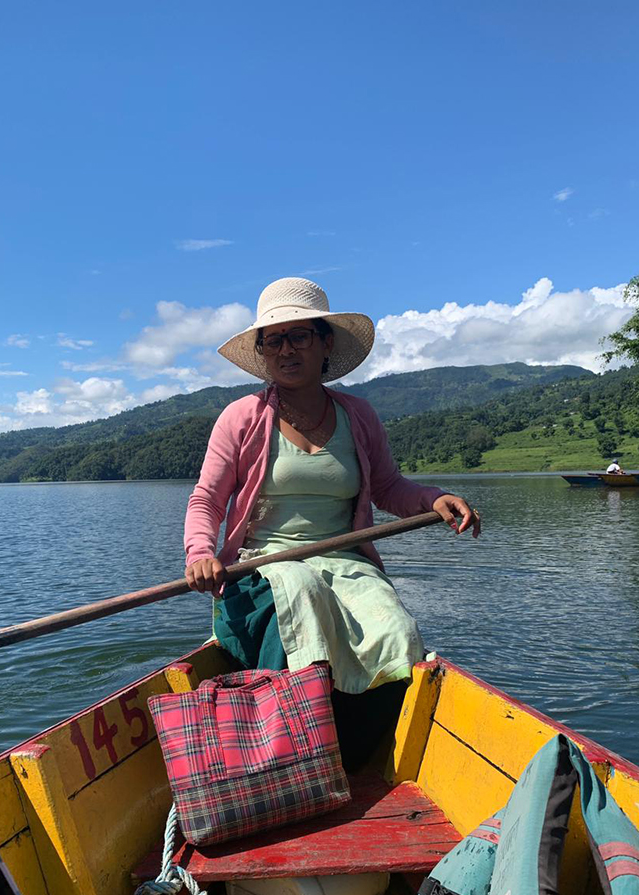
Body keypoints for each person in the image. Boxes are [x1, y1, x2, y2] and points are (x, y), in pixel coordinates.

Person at [183, 277, 481, 771]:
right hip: (262, 570)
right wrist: (200, 555)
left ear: (325, 344)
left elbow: (388, 488)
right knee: (300, 590)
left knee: (397, 631)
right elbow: (206, 500)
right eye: (273, 339)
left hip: (345, 564)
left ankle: (353, 753)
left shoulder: (357, 415)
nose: (286, 349)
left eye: (300, 336)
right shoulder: (241, 417)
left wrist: (435, 498)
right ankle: (289, 754)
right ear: (262, 351)